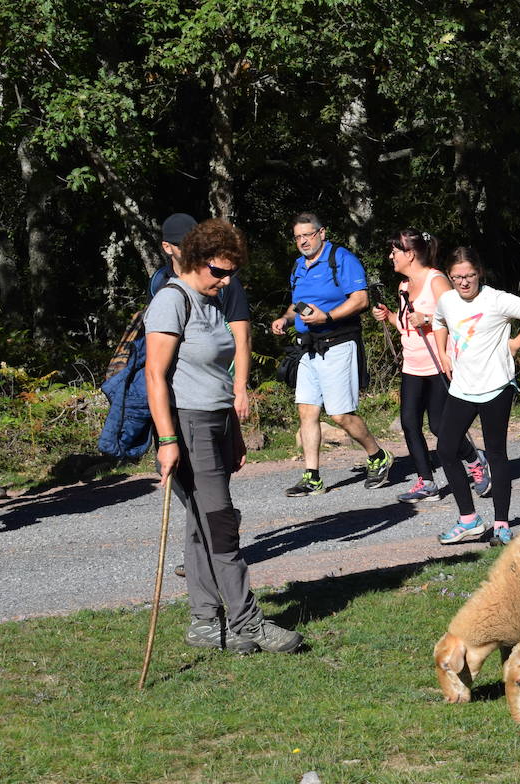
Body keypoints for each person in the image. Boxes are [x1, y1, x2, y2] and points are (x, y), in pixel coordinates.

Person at [144, 219, 302, 653]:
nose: (226, 279)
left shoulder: (210, 299)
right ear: (194, 260)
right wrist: (166, 440)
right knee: (221, 525)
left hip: (217, 422)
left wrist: (233, 428)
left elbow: (219, 367)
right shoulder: (170, 303)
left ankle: (203, 622)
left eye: (231, 271)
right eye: (218, 270)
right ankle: (248, 623)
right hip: (188, 425)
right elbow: (154, 376)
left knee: (202, 523)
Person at [431, 248, 520, 546]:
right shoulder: (447, 299)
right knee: (446, 449)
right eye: (457, 277)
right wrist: (443, 354)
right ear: (449, 276)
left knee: (496, 454)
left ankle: (501, 525)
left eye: (469, 275)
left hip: (496, 387)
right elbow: (438, 321)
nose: (463, 282)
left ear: (479, 273)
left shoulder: (496, 299)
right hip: (462, 387)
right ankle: (469, 521)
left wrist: (513, 345)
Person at [270, 212, 391, 496]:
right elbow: (297, 305)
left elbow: (361, 299)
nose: (302, 241)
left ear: (322, 233)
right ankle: (312, 476)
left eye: (307, 235)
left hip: (337, 343)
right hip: (307, 347)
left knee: (339, 415)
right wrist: (285, 319)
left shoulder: (341, 259)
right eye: (298, 237)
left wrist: (328, 316)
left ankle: (378, 455)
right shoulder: (299, 266)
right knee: (306, 410)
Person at [372, 227, 490, 503]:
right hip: (412, 364)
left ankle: (475, 461)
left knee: (438, 425)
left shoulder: (436, 280)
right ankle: (426, 482)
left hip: (438, 361)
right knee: (409, 423)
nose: (391, 257)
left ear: (410, 254)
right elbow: (406, 327)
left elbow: (458, 317)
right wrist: (390, 316)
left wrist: (428, 319)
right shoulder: (403, 286)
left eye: (395, 252)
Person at [150, 213, 252, 420]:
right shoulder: (160, 282)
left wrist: (240, 387)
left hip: (217, 394)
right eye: (182, 244)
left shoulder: (224, 281)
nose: (191, 249)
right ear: (167, 247)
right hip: (177, 401)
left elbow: (243, 338)